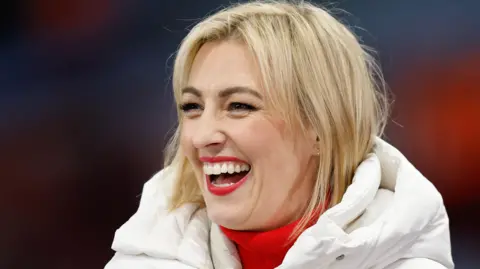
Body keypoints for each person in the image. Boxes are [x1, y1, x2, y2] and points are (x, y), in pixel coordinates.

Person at [105, 1, 453, 268]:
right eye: (192, 107)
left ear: (321, 126)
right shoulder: (142, 257)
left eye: (239, 106)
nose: (201, 137)